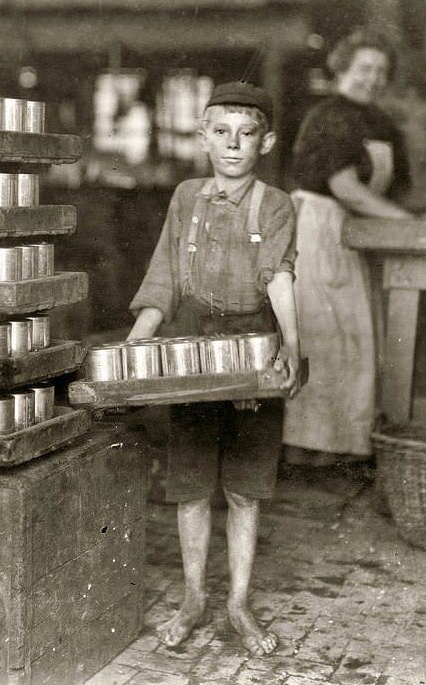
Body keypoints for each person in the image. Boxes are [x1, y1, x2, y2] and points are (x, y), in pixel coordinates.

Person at [128, 82, 302, 656]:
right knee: (192, 487)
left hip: (253, 352)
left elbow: (278, 277)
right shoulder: (186, 197)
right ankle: (194, 598)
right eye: (220, 132)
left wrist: (290, 349)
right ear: (202, 137)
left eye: (246, 133)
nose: (233, 144)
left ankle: (238, 603)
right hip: (193, 352)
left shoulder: (275, 205)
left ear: (266, 142)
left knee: (246, 490)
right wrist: (135, 346)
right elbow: (163, 278)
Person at [283, 30, 416, 466]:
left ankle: (340, 448)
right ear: (342, 68)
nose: (373, 79)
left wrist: (405, 215)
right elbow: (346, 188)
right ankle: (306, 447)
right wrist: (406, 224)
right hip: (320, 231)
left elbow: (397, 189)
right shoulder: (328, 116)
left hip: (360, 232)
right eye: (364, 69)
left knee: (355, 340)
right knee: (324, 338)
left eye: (381, 71)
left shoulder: (381, 122)